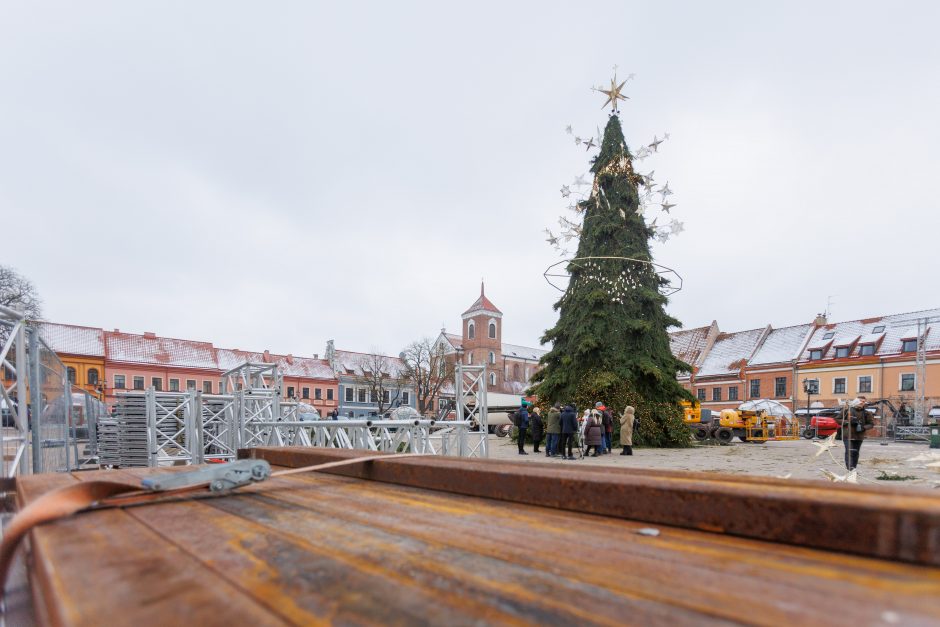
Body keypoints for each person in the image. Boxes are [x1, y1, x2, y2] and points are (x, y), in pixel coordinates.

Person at [839, 396, 873, 470]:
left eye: (863, 401)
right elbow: (837, 419)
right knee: (849, 452)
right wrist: (847, 422)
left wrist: (864, 427)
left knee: (856, 453)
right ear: (856, 401)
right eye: (860, 401)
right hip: (848, 435)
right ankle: (850, 470)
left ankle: (854, 468)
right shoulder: (847, 410)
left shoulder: (867, 413)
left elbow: (871, 424)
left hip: (859, 436)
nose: (861, 402)